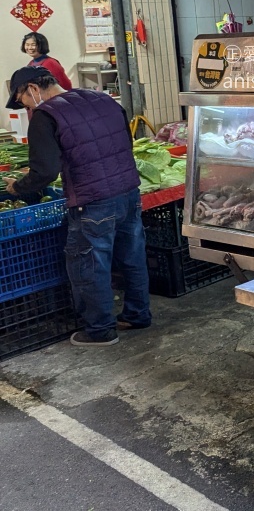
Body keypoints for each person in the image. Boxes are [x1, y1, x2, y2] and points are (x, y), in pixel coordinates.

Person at [5, 67, 151, 347]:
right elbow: (125, 142)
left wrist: (18, 187)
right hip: (129, 192)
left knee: (89, 266)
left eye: (21, 98)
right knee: (132, 257)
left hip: (92, 202)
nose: (23, 106)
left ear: (33, 89)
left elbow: (44, 171)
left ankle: (100, 330)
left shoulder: (45, 116)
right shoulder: (102, 98)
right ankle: (138, 314)